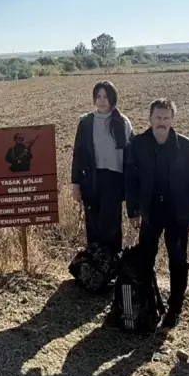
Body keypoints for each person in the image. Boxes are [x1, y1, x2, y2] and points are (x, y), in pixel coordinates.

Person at [125, 98, 189, 329]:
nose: (162, 122)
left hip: (178, 214)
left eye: (166, 118)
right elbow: (130, 181)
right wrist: (133, 211)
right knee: (145, 259)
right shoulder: (138, 144)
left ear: (173, 119)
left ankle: (175, 307)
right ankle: (146, 304)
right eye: (158, 117)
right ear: (150, 118)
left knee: (178, 261)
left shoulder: (188, 147)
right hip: (150, 213)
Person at [71, 81, 133, 253]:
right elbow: (78, 155)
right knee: (92, 224)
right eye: (98, 96)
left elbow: (130, 157)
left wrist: (131, 187)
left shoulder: (123, 122)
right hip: (91, 179)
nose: (102, 100)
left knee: (111, 226)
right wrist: (75, 184)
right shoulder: (86, 123)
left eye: (106, 96)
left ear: (113, 98)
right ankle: (94, 269)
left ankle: (112, 266)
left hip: (114, 180)